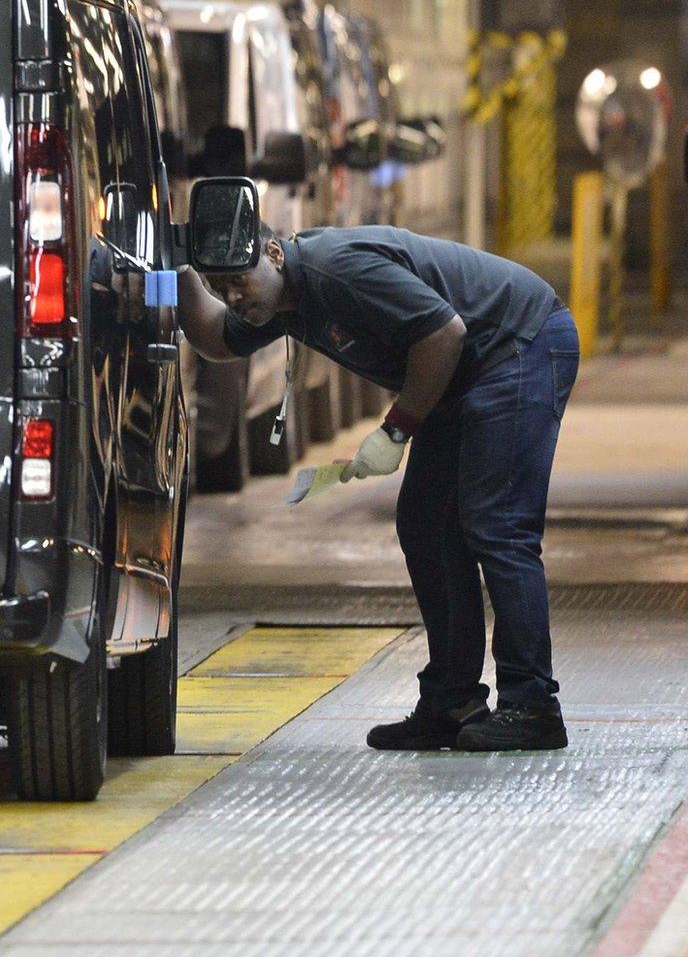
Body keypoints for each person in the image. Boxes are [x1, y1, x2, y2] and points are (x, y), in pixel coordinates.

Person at [176, 222, 580, 752]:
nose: (232, 297)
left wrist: (396, 429)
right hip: (465, 372)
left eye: (238, 285)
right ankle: (452, 702)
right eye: (220, 286)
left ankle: (532, 706)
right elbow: (214, 337)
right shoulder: (277, 300)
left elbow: (444, 333)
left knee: (496, 524)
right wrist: (175, 271)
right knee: (425, 525)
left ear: (273, 253)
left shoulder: (334, 268)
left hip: (518, 344)